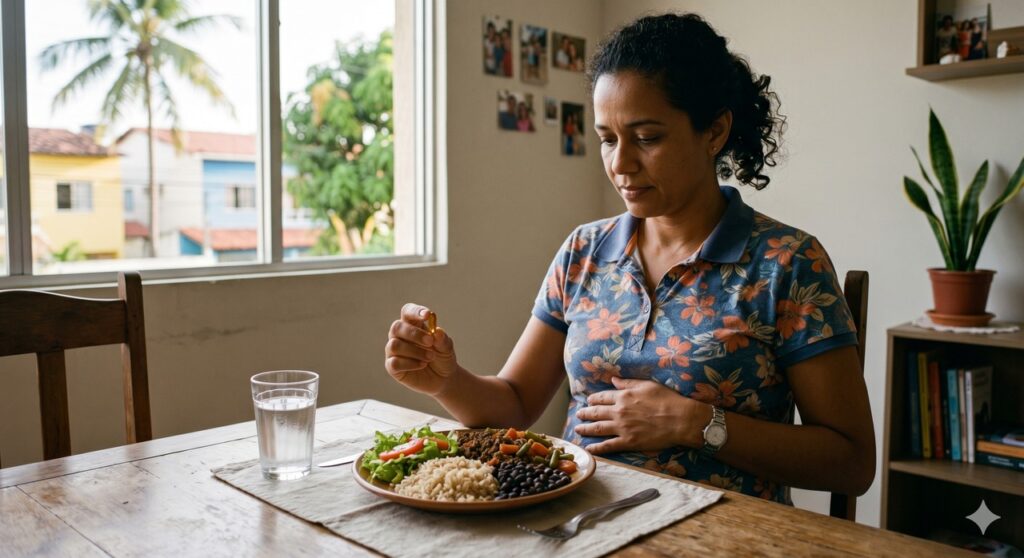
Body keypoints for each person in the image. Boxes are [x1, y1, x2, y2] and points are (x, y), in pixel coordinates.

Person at [385, 13, 875, 504]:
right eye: (607, 138)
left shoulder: (787, 264)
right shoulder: (585, 251)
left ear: (715, 131)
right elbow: (513, 405)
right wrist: (447, 381)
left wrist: (694, 423)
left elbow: (852, 463)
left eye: (647, 138)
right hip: (576, 521)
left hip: (723, 536)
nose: (619, 164)